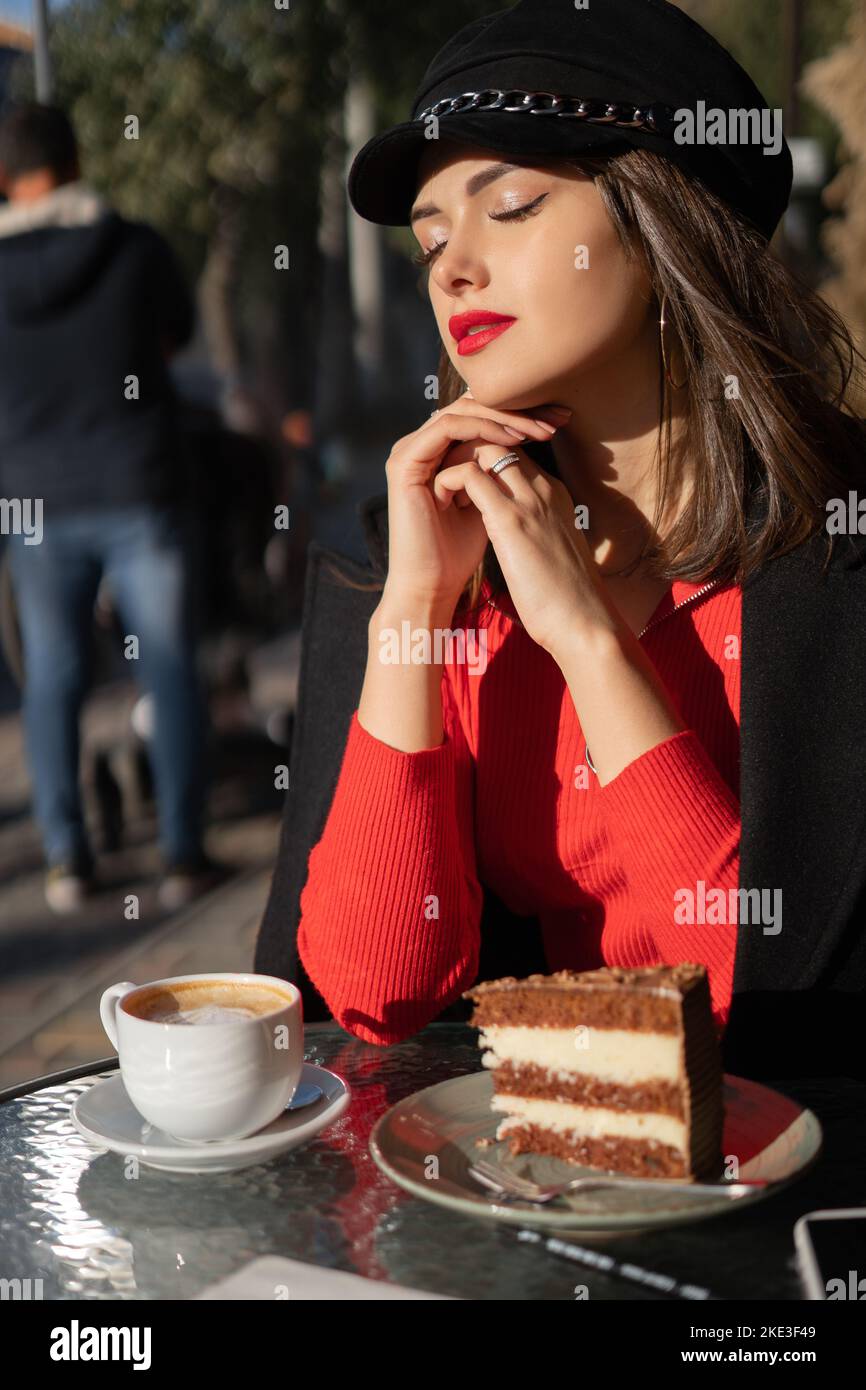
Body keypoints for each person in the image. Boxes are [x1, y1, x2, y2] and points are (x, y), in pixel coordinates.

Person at [265, 0, 866, 1078]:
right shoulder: (426, 565)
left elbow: (762, 1003)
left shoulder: (836, 556)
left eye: (510, 205)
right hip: (538, 1169)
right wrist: (411, 610)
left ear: (662, 213)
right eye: (432, 240)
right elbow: (367, 991)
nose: (451, 269)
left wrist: (587, 642)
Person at [0, 103, 219, 913]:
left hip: (32, 501)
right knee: (165, 665)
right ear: (78, 157)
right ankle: (183, 855)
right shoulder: (136, 248)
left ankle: (67, 861)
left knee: (52, 677)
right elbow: (173, 342)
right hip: (138, 482)